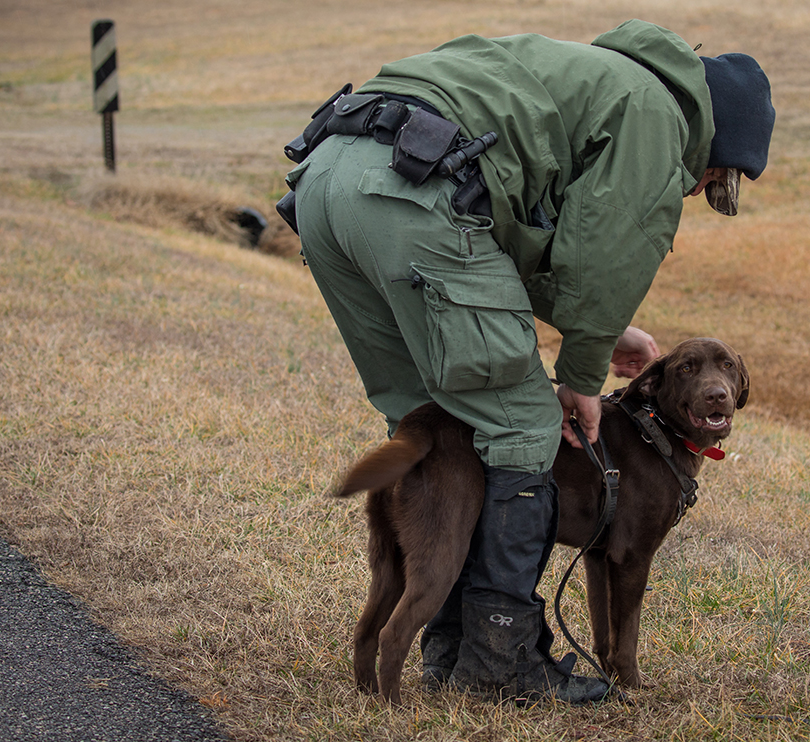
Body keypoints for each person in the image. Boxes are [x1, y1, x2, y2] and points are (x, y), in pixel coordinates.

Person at [286, 19, 774, 704]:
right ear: (716, 140)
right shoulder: (658, 117)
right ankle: (499, 663)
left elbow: (512, 234)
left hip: (330, 180)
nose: (695, 191)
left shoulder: (588, 77)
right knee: (520, 423)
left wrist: (604, 331)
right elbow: (607, 250)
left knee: (438, 419)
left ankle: (447, 645)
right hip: (414, 197)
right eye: (711, 179)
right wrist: (581, 372)